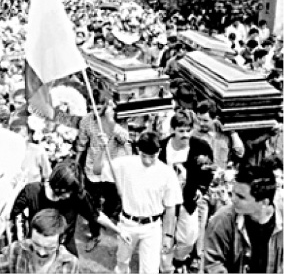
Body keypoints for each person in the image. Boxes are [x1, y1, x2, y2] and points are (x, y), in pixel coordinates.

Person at [9, 162, 130, 257]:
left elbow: (95, 215)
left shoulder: (76, 196)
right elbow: (16, 219)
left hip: (64, 247)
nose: (69, 196)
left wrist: (119, 231)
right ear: (57, 185)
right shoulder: (32, 191)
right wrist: (22, 246)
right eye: (67, 192)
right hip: (38, 246)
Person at [109, 131, 183, 274]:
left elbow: (170, 208)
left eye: (152, 157)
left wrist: (168, 236)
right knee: (122, 263)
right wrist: (104, 145)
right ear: (138, 150)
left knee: (150, 270)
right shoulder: (125, 163)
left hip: (152, 228)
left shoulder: (167, 173)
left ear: (159, 152)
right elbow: (98, 169)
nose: (148, 161)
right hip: (127, 224)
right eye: (144, 156)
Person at [158, 110, 214, 273]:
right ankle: (166, 267)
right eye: (181, 131)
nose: (185, 134)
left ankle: (180, 258)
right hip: (165, 200)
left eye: (188, 130)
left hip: (188, 198)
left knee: (189, 235)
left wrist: (201, 189)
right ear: (173, 130)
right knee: (165, 234)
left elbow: (208, 171)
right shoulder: (162, 147)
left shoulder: (200, 147)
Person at [75, 91, 128, 251]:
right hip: (93, 168)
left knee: (112, 201)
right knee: (92, 205)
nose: (95, 109)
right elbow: (82, 143)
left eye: (99, 106)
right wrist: (76, 164)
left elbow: (125, 139)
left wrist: (112, 126)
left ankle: (108, 218)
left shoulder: (116, 117)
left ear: (106, 104)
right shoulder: (86, 120)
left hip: (112, 169)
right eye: (92, 106)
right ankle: (95, 233)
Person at [204, 165, 283, 273]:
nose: (233, 199)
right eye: (233, 193)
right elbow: (212, 265)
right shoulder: (222, 220)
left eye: (241, 197)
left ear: (264, 203)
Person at [0, 209, 80, 274]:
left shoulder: (70, 263)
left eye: (49, 248)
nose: (41, 252)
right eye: (36, 244)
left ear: (61, 241)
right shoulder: (15, 250)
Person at [9, 117, 52, 184]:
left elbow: (48, 175)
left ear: (28, 136)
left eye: (22, 137)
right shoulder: (7, 151)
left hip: (33, 190)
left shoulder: (37, 151)